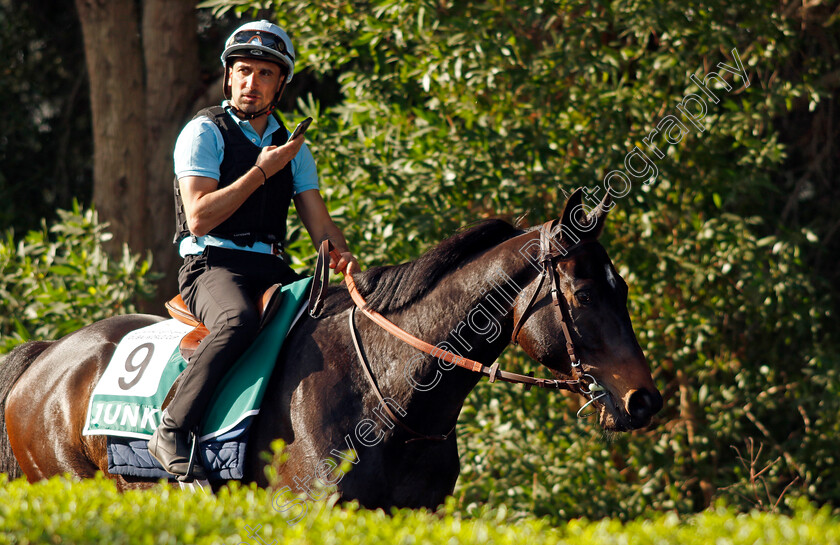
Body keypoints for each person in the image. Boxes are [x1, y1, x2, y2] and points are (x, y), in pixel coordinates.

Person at [148, 20, 359, 478]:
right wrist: (262, 172)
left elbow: (320, 223)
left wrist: (339, 252)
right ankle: (172, 427)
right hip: (212, 265)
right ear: (229, 76)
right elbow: (200, 216)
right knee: (238, 320)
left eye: (265, 74)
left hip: (272, 267)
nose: (251, 83)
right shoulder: (204, 132)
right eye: (243, 71)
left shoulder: (294, 146)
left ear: (280, 83)